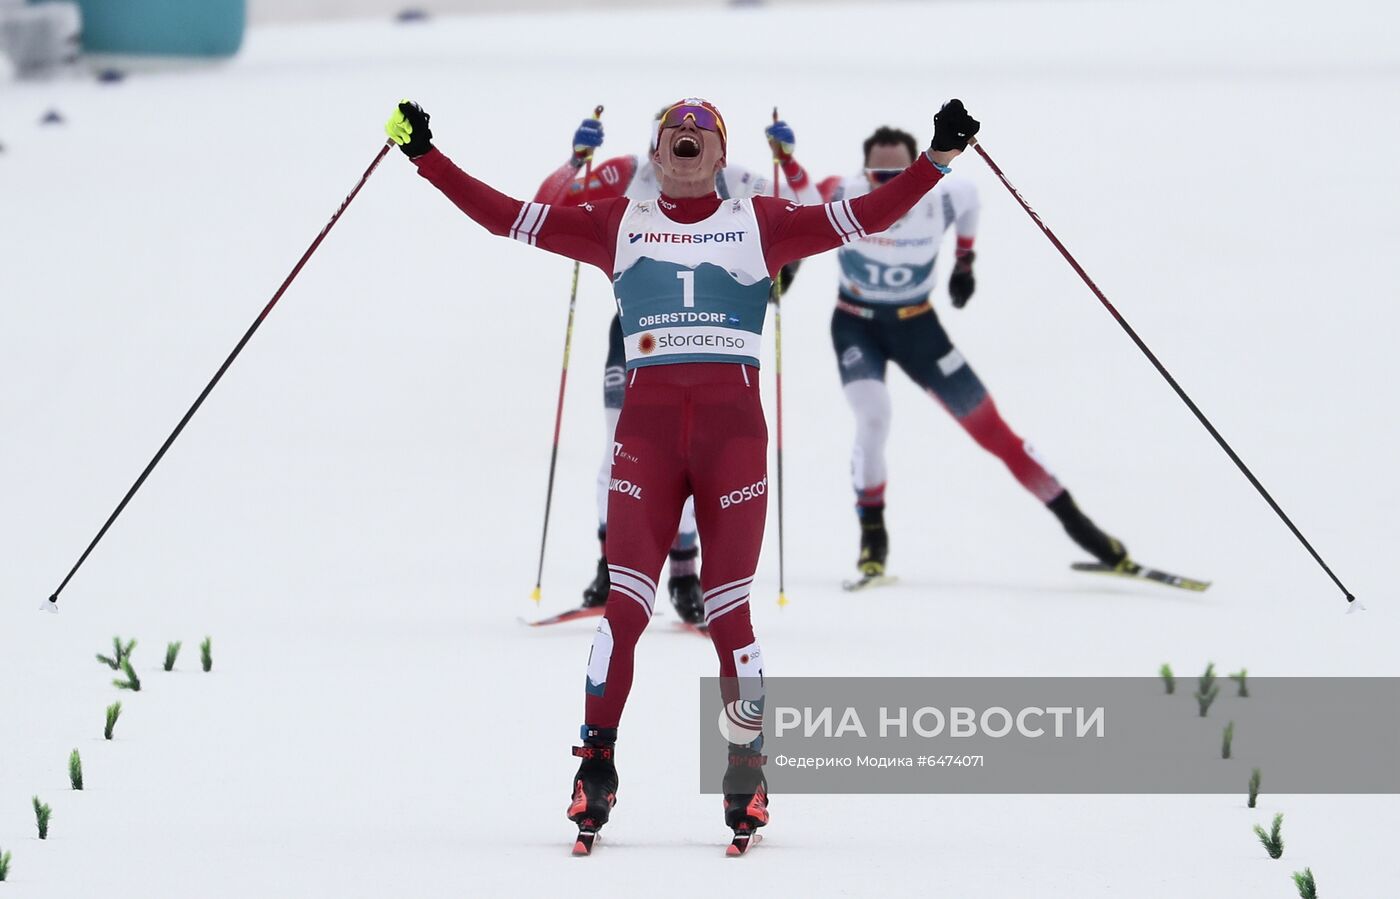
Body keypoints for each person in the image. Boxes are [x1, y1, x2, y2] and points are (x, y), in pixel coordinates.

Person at [384, 96, 980, 849]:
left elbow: (862, 218)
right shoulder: (614, 221)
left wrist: (937, 160)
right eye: (674, 135)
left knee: (730, 613)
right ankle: (594, 763)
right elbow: (506, 216)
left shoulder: (762, 221)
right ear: (656, 154)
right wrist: (425, 156)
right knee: (625, 610)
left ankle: (746, 770)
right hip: (649, 440)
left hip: (733, 443)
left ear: (721, 157)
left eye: (701, 135)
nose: (687, 141)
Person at [532, 109, 823, 623]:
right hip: (641, 336)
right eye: (662, 146)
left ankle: (684, 571)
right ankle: (610, 567)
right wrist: (574, 162)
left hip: (715, 335)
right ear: (654, 150)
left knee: (697, 453)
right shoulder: (625, 172)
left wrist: (790, 163)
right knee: (621, 451)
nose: (673, 161)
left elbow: (813, 214)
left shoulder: (731, 179)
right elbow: (542, 209)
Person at [823, 126, 1127, 584]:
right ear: (864, 173)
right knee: (873, 417)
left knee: (991, 430)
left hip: (917, 327)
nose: (887, 186)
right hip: (855, 325)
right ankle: (873, 536)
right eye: (878, 176)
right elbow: (791, 200)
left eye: (899, 175)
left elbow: (969, 204)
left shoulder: (947, 195)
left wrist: (965, 263)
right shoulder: (841, 191)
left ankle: (1081, 527)